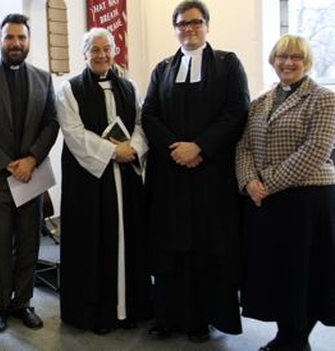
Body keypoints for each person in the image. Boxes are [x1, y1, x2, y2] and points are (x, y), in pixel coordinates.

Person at [141, 0, 250, 342]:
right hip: (171, 175)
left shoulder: (228, 64)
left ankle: (202, 319)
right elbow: (149, 115)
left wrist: (199, 147)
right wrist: (177, 148)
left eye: (195, 22)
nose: (188, 29)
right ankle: (167, 317)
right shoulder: (163, 68)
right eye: (181, 24)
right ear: (175, 29)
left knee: (206, 248)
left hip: (211, 175)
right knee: (170, 247)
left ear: (206, 25)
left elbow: (237, 110)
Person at [236, 34, 335, 351]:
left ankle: (298, 340)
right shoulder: (260, 101)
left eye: (296, 57)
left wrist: (267, 183)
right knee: (278, 272)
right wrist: (249, 180)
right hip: (267, 201)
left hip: (308, 200)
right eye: (282, 57)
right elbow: (244, 146)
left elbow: (317, 149)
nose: (288, 63)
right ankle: (284, 335)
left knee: (305, 273)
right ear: (272, 61)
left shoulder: (323, 98)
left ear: (307, 62)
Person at [0, 13, 59, 333]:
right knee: (0, 245)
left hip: (30, 176)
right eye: (9, 37)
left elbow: (51, 123)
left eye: (21, 37)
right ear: (0, 41)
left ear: (28, 41)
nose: (15, 43)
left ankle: (23, 302)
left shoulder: (43, 78)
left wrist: (31, 159)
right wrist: (8, 164)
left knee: (30, 243)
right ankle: (0, 305)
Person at [56, 27, 152, 334]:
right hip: (90, 183)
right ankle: (98, 314)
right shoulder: (69, 89)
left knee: (129, 241)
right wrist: (113, 151)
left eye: (106, 49)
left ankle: (130, 308)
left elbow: (140, 122)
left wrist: (134, 149)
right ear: (84, 54)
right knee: (95, 243)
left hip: (126, 179)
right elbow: (73, 133)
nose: (101, 55)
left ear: (114, 52)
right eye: (94, 50)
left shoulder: (129, 86)